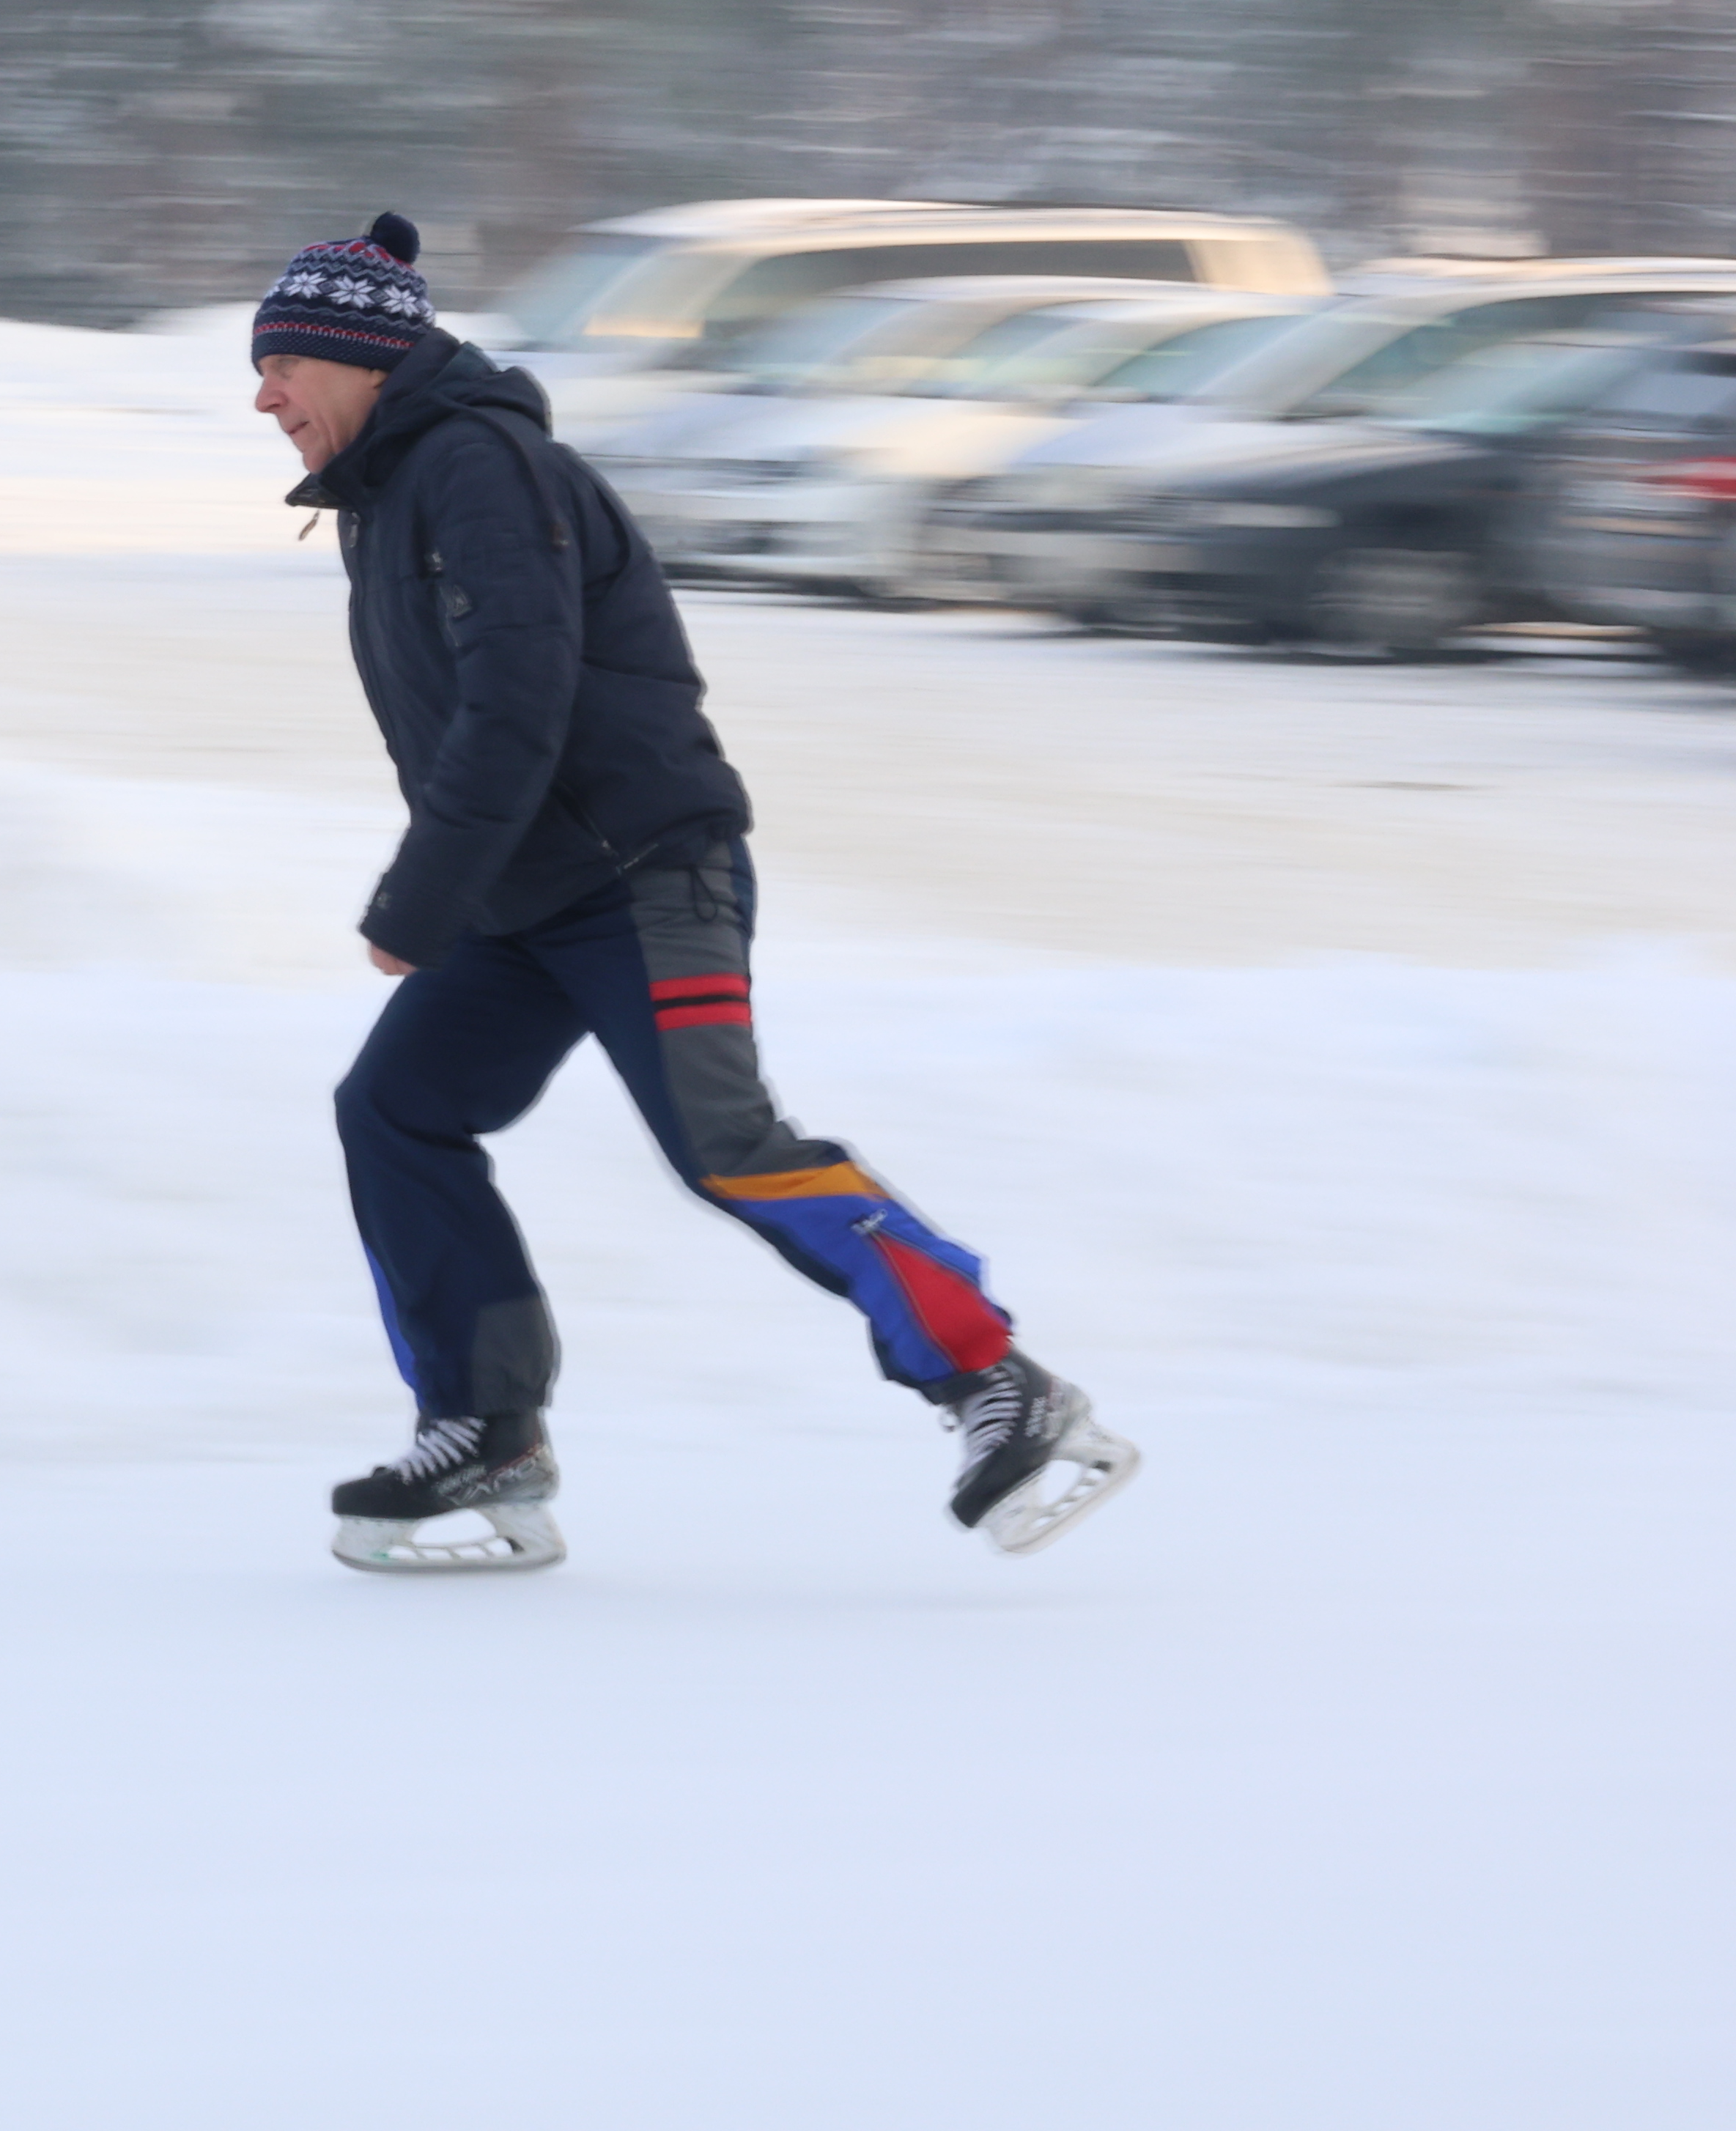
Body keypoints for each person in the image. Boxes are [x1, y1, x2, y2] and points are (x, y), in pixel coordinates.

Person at [247, 214, 1137, 1573]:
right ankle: (487, 1431)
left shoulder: (482, 470)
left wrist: (416, 902)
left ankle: (996, 1380)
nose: (263, 400)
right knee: (396, 1110)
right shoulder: (393, 495)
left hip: (642, 876)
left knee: (728, 1141)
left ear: (360, 359)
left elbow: (517, 702)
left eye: (282, 369)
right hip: (528, 900)